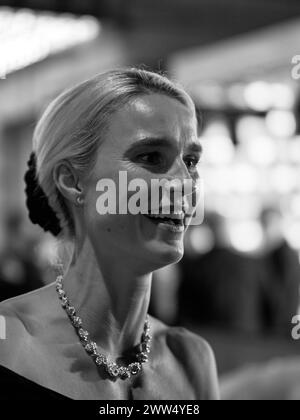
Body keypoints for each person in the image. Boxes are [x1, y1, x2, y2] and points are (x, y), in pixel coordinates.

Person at [0, 68, 219, 400]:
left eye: (190, 161)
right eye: (151, 157)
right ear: (73, 181)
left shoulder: (190, 359)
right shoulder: (8, 340)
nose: (184, 184)